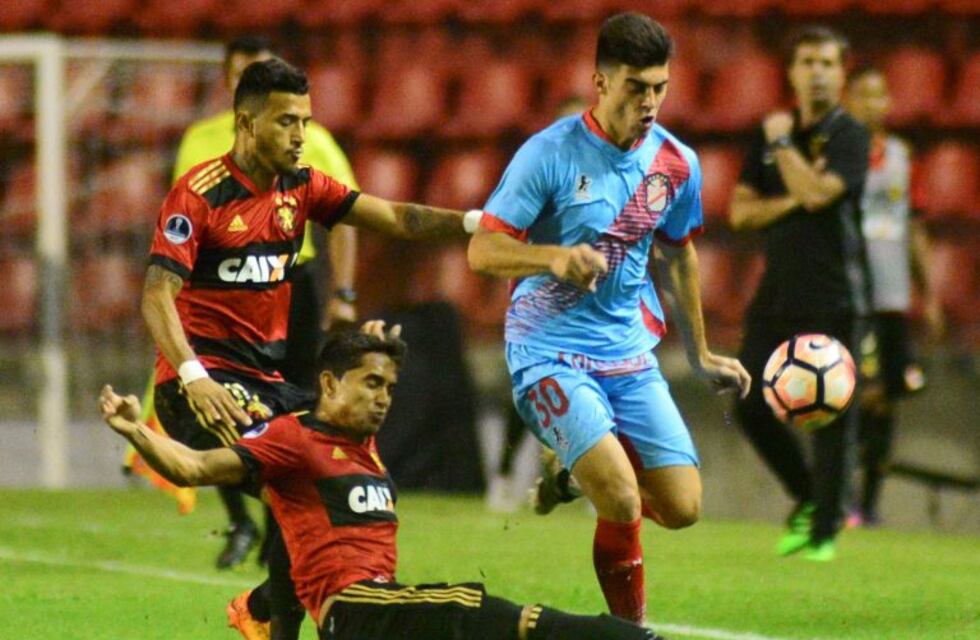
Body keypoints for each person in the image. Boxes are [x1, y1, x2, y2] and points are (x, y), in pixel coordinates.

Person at [144, 58, 481, 640]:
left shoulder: (301, 186)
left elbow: (397, 217)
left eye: (305, 120)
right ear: (246, 124)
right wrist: (194, 376)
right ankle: (273, 617)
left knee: (332, 470)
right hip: (199, 386)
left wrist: (482, 222)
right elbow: (155, 295)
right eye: (285, 122)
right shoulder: (199, 194)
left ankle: (263, 606)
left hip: (267, 384)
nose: (301, 136)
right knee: (297, 481)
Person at [98, 324, 664, 640]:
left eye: (389, 388)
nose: (383, 398)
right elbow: (194, 468)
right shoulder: (290, 441)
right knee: (479, 609)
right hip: (358, 611)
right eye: (370, 384)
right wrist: (134, 430)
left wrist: (373, 341)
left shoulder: (362, 448)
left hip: (378, 617)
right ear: (327, 385)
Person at [468, 13, 750, 624]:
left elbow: (679, 251)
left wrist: (700, 353)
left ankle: (567, 480)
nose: (649, 102)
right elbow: (482, 250)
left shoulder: (676, 163)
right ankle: (631, 632)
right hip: (545, 351)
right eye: (635, 87)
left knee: (682, 507)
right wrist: (551, 256)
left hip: (627, 354)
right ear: (600, 80)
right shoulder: (547, 154)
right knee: (622, 499)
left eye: (659, 88)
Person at [142, 35, 362, 573]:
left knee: (299, 426)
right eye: (244, 69)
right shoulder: (200, 145)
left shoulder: (312, 145)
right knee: (243, 423)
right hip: (217, 292)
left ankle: (273, 552)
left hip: (292, 287)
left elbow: (348, 215)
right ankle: (249, 522)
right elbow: (185, 220)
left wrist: (344, 293)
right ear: (232, 85)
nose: (297, 132)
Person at [728, 26, 872, 561]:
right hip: (778, 294)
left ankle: (825, 536)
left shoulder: (850, 136)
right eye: (806, 61)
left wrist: (784, 146)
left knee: (834, 416)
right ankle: (811, 497)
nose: (816, 72)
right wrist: (794, 194)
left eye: (827, 63)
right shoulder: (765, 141)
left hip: (834, 294)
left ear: (842, 74)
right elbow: (740, 212)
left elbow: (817, 196)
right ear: (791, 72)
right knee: (747, 401)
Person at [844, 67, 944, 527]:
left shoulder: (904, 158)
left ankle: (869, 502)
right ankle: (841, 496)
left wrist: (930, 294)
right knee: (846, 394)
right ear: (849, 101)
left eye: (880, 95)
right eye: (864, 95)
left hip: (891, 295)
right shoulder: (837, 155)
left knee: (885, 397)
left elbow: (915, 229)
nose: (873, 104)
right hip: (847, 295)